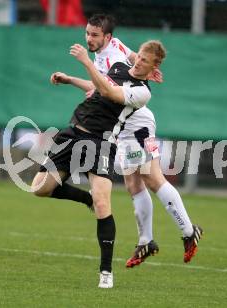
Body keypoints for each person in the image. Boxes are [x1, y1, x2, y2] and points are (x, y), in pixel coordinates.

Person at [50, 14, 203, 268]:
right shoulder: (115, 51)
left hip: (135, 121)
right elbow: (129, 60)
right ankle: (146, 241)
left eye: (95, 35)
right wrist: (70, 79)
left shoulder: (113, 60)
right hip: (120, 123)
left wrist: (147, 70)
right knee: (133, 183)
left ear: (106, 37)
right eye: (87, 33)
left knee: (153, 178)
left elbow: (108, 89)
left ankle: (188, 231)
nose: (89, 38)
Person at [32, 39, 166, 288]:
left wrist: (85, 60)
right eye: (138, 57)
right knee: (40, 188)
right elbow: (97, 86)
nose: (138, 62)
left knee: (104, 203)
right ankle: (87, 200)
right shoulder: (117, 65)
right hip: (73, 133)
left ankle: (106, 272)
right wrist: (70, 79)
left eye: (145, 61)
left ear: (153, 66)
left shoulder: (143, 92)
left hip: (102, 142)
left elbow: (109, 92)